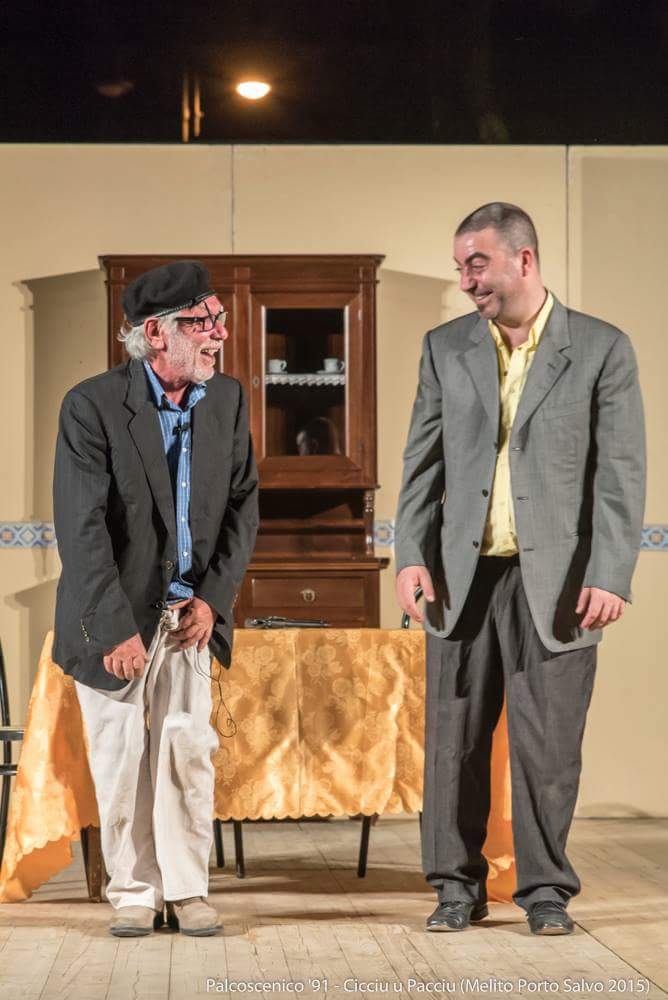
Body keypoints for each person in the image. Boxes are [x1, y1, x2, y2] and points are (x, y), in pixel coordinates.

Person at [394, 203, 646, 936]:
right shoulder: (445, 348)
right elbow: (422, 464)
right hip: (460, 579)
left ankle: (544, 893)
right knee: (453, 743)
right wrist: (411, 556)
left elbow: (620, 473)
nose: (466, 281)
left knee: (549, 746)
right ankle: (455, 888)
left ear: (523, 259)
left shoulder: (600, 347)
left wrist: (609, 572)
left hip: (560, 582)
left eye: (477, 264)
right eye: (459, 268)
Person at [52, 260, 259, 937]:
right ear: (156, 333)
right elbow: (81, 528)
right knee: (121, 760)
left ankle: (187, 889)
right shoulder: (91, 405)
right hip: (113, 617)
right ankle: (136, 892)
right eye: (204, 322)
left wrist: (213, 599)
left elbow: (242, 506)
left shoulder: (226, 399)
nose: (220, 335)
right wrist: (116, 628)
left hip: (188, 615)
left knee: (186, 752)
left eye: (219, 320)